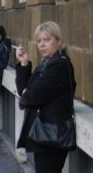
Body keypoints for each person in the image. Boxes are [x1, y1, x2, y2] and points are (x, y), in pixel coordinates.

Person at [15, 21, 76, 173]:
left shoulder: (59, 65)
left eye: (47, 40)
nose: (42, 44)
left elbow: (31, 96)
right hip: (43, 134)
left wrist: (27, 94)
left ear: (59, 41)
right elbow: (23, 90)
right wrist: (24, 63)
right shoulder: (46, 63)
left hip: (51, 135)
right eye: (39, 40)